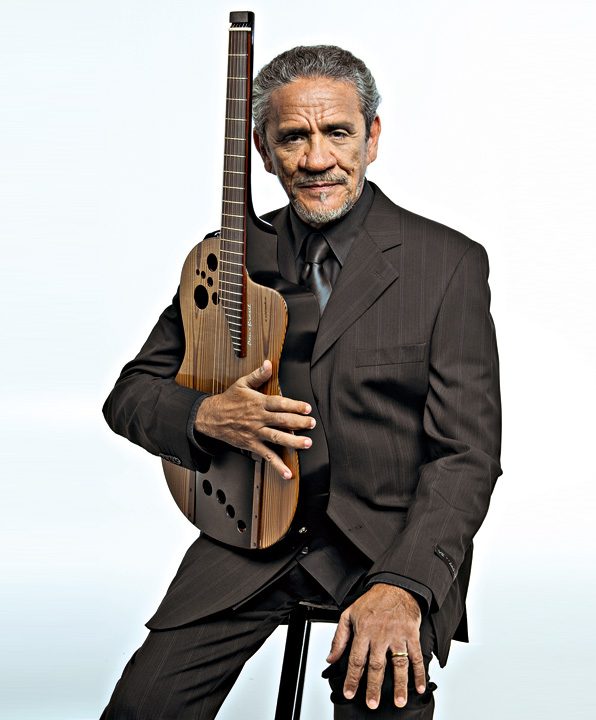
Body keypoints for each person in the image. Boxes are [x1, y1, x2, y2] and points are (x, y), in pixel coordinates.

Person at [100, 45, 501, 719]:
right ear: (262, 150)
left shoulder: (447, 264)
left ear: (372, 137)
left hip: (384, 544)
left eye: (337, 132)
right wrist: (204, 416)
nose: (317, 159)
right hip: (250, 536)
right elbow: (131, 395)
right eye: (293, 137)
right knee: (142, 708)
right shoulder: (227, 258)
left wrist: (406, 584)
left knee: (381, 701)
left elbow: (467, 455)